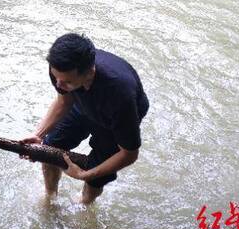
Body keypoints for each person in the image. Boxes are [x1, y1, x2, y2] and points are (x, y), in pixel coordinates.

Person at [20, 33, 149, 204]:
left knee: (96, 175)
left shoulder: (120, 95)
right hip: (81, 104)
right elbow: (64, 101)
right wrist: (39, 134)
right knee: (50, 148)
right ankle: (50, 196)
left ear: (89, 73)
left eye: (65, 82)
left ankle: (85, 203)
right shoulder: (60, 70)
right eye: (55, 77)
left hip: (112, 119)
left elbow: (129, 154)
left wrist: (84, 174)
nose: (58, 85)